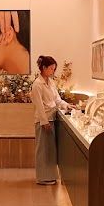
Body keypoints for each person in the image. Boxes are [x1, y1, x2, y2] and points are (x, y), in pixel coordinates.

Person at [30, 55, 70, 185]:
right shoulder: (37, 84)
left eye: (54, 68)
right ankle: (42, 177)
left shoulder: (51, 82)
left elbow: (57, 99)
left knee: (50, 149)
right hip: (44, 120)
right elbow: (39, 105)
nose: (53, 71)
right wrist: (44, 122)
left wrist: (67, 105)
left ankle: (50, 176)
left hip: (52, 117)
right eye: (51, 68)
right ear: (44, 68)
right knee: (43, 149)